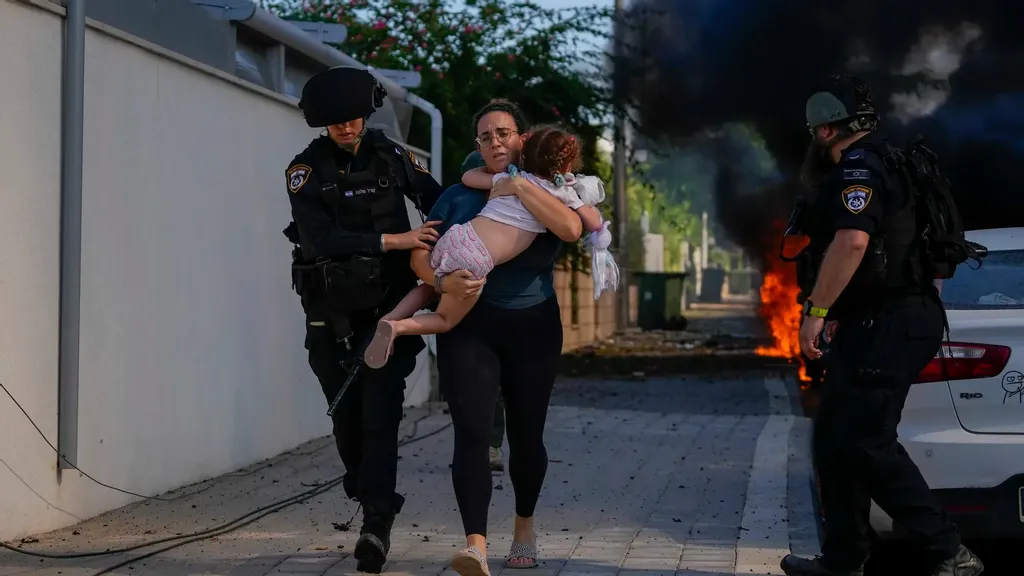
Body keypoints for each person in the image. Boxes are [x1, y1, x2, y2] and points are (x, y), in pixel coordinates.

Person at [780, 74, 984, 576]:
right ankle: (843, 558)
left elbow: (852, 243)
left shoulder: (860, 167)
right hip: (878, 318)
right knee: (834, 438)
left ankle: (947, 550)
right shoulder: (891, 162)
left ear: (826, 131)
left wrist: (817, 311)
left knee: (866, 439)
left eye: (815, 132)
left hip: (890, 321)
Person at [282, 65, 444, 574]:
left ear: (364, 114)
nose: (346, 129)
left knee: (381, 415)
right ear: (321, 125)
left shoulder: (393, 155)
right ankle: (364, 483)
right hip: (330, 313)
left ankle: (376, 523)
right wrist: (396, 241)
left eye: (352, 119)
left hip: (388, 311)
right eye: (335, 124)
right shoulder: (303, 171)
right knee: (345, 415)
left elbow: (438, 200)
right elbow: (319, 240)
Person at [418, 99, 585, 575]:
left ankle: (524, 529)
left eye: (504, 133)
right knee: (471, 435)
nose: (494, 141)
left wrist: (515, 184)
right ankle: (476, 545)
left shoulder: (552, 190)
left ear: (522, 139)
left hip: (533, 327)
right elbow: (420, 257)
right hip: (470, 327)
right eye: (486, 135)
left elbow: (572, 228)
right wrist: (441, 282)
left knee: (526, 438)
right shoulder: (456, 195)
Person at [361, 125, 607, 369]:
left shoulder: (511, 178)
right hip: (476, 258)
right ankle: (398, 328)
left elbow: (468, 177)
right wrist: (575, 191)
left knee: (430, 286)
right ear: (565, 167)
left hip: (459, 236)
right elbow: (593, 223)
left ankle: (390, 317)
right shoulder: (560, 192)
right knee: (445, 319)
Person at [461, 150, 510, 475]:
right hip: (465, 304)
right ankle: (473, 445)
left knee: (494, 384)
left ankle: (491, 445)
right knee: (470, 383)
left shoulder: (511, 202)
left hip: (500, 306)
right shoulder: (459, 202)